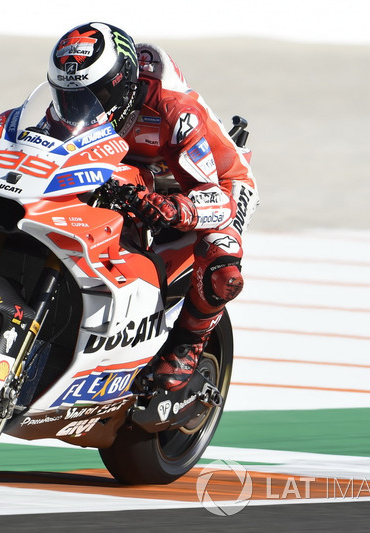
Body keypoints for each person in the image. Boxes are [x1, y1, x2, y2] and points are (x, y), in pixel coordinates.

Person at [47, 22, 259, 392]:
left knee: (222, 263)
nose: (79, 107)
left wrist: (176, 210)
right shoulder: (80, 96)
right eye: (68, 95)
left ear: (121, 84)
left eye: (91, 96)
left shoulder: (175, 111)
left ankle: (188, 347)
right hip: (142, 170)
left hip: (216, 183)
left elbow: (218, 201)